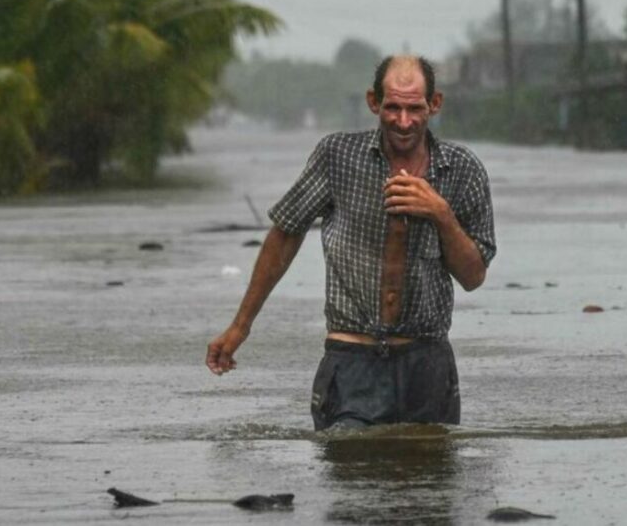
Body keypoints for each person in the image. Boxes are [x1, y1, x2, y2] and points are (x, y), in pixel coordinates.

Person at [205, 55, 496, 430]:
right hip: (352, 359)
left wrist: (440, 213)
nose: (403, 121)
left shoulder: (462, 169)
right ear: (373, 103)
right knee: (349, 474)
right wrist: (240, 326)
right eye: (392, 107)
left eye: (414, 108)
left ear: (434, 104)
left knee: (429, 482)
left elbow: (474, 276)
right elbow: (285, 234)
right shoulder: (337, 157)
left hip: (427, 362)